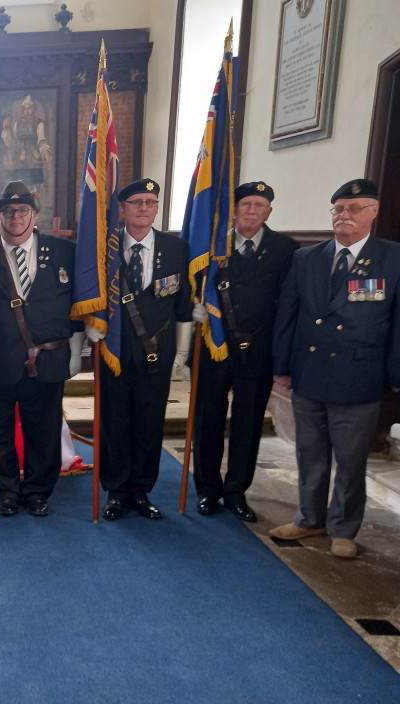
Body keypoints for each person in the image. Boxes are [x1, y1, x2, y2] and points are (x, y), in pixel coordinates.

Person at [270, 179, 400, 558]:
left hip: (359, 375)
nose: (344, 215)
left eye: (354, 208)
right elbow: (288, 316)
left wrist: (393, 375)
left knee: (350, 459)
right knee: (309, 454)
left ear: (373, 211)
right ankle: (310, 519)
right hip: (309, 373)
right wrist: (281, 367)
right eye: (338, 209)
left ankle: (343, 528)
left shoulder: (392, 258)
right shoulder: (306, 258)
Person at [192, 181, 298, 522]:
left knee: (248, 423)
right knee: (208, 420)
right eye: (246, 204)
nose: (251, 211)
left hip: (258, 350)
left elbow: (290, 305)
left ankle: (236, 491)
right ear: (234, 210)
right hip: (216, 347)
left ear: (269, 212)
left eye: (259, 205)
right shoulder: (213, 247)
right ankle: (207, 489)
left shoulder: (286, 249)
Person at [93, 179, 193, 521]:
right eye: (136, 202)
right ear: (122, 209)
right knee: (115, 423)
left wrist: (182, 353)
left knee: (150, 424)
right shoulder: (103, 248)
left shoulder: (177, 248)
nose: (144, 208)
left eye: (151, 202)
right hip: (116, 350)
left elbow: (181, 305)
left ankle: (141, 490)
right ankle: (116, 491)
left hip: (157, 352)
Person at [0, 181, 84, 517]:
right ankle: (7, 492)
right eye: (8, 211)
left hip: (49, 357)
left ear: (33, 214)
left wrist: (76, 348)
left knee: (42, 431)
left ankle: (38, 491)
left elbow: (78, 302)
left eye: (23, 210)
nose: (16, 216)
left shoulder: (64, 252)